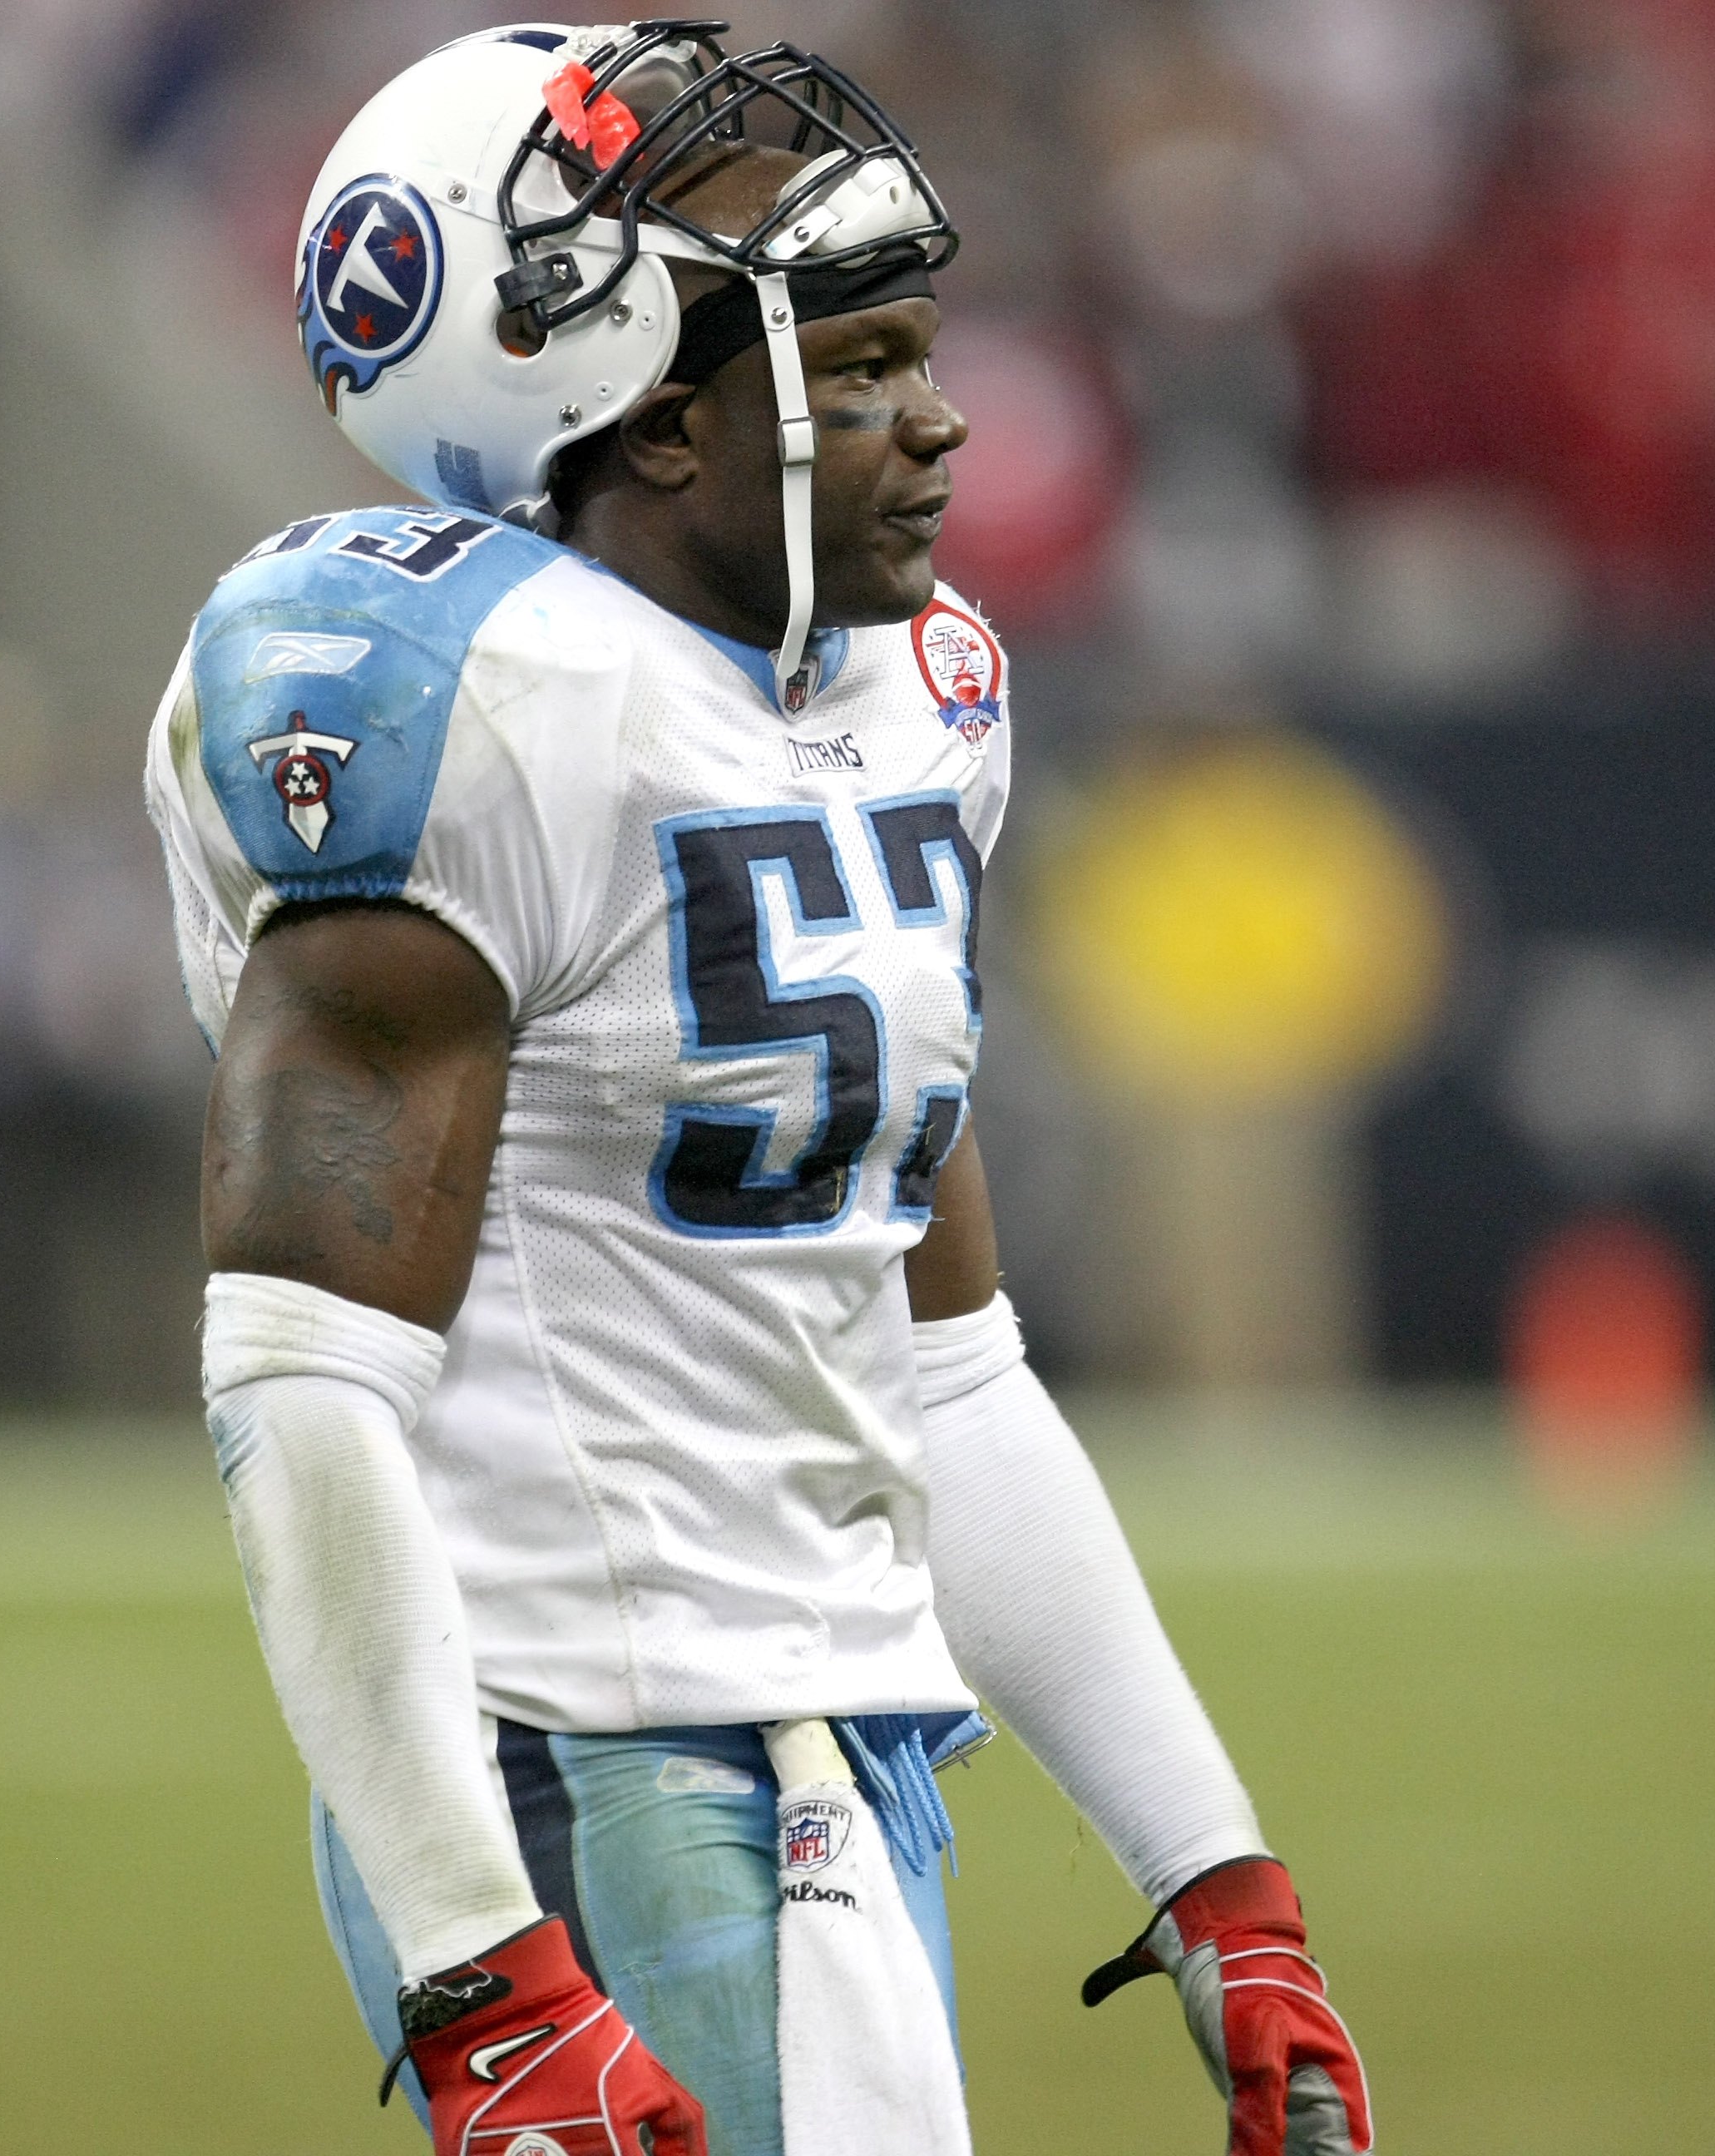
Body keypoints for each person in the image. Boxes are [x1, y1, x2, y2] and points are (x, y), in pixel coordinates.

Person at [142, 26, 1373, 2156]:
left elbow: (941, 1364)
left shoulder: (909, 692)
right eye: (867, 357)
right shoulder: (469, 707)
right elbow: (303, 1375)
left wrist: (1215, 1871)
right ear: (650, 413)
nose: (944, 415)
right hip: (579, 1760)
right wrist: (477, 1969)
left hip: (838, 1733)